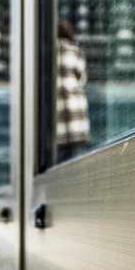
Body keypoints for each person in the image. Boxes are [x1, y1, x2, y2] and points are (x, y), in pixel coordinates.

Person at [56, 19, 90, 163]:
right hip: (75, 109)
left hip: (57, 110)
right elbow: (82, 79)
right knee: (71, 158)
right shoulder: (76, 51)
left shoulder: (48, 50)